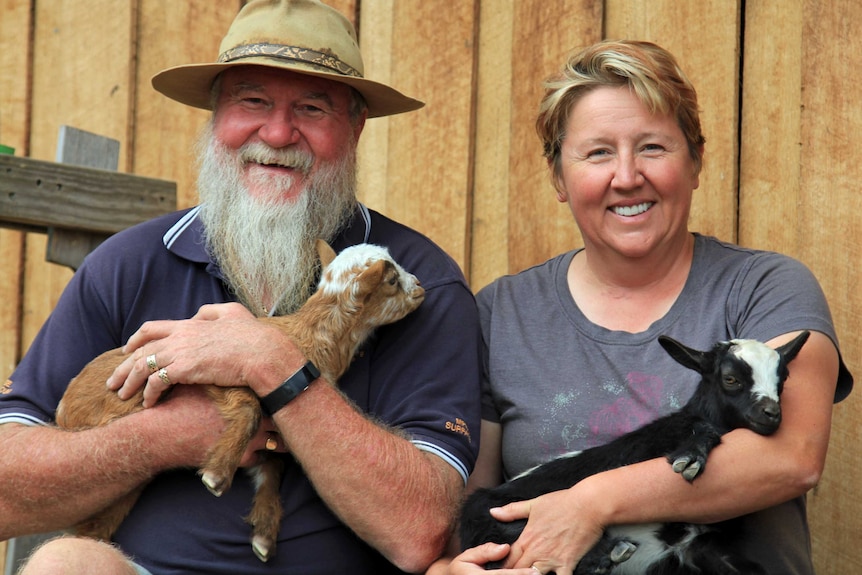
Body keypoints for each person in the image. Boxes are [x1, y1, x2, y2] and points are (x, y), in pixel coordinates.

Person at [0, 1, 482, 574]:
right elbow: (7, 492)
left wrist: (273, 363)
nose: (277, 134)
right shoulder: (126, 265)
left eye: (312, 107)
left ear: (354, 129)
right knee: (68, 564)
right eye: (252, 101)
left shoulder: (412, 284)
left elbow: (421, 531)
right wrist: (165, 436)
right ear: (215, 116)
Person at [428, 40, 853, 575]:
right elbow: (465, 507)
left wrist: (588, 503)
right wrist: (448, 570)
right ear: (559, 177)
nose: (627, 176)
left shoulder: (764, 287)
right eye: (598, 152)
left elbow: (789, 459)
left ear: (696, 162)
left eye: (652, 147)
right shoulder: (502, 312)